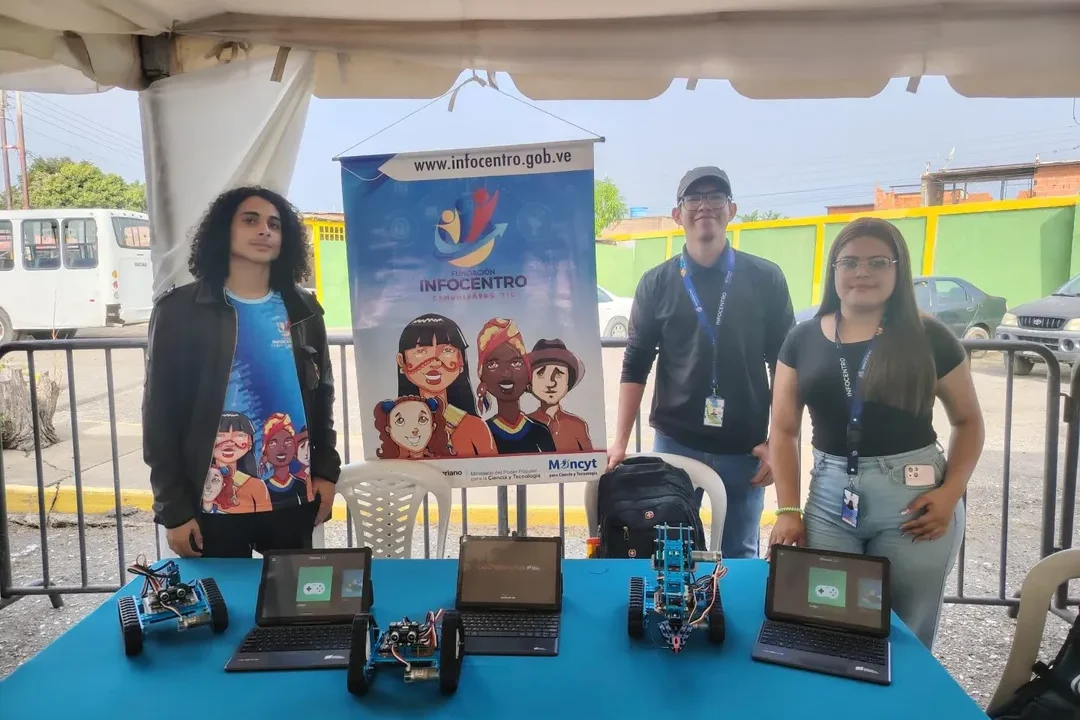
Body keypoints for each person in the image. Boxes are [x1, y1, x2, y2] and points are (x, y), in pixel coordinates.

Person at [767, 216, 984, 649]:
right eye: (849, 262)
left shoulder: (930, 337)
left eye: (878, 262)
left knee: (907, 634)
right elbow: (784, 429)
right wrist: (788, 509)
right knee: (828, 626)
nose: (862, 272)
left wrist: (951, 493)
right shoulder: (802, 339)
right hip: (829, 500)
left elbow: (969, 422)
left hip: (915, 500)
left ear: (898, 269)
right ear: (833, 270)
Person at [143, 186, 341, 558]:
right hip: (212, 502)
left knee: (289, 596)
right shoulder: (181, 310)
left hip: (293, 497)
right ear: (224, 231)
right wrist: (173, 509)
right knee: (221, 597)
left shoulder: (303, 309)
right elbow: (160, 415)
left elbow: (322, 397)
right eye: (250, 220)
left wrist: (327, 472)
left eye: (274, 224)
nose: (265, 230)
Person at [611, 167, 795, 559]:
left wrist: (777, 443)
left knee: (739, 554)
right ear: (678, 214)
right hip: (675, 442)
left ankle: (728, 604)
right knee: (670, 554)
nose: (704, 206)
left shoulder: (766, 278)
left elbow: (784, 366)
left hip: (746, 447)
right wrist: (620, 444)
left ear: (732, 210)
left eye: (715, 197)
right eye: (693, 198)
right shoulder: (656, 283)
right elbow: (635, 363)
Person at [396, 313, 497, 456]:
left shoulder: (475, 427)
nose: (435, 362)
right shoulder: (394, 429)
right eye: (421, 351)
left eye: (447, 351)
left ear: (461, 360)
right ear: (401, 360)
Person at [476, 317, 556, 454]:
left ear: (528, 373)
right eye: (493, 364)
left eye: (516, 363)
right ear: (482, 377)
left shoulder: (540, 432)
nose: (506, 373)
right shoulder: (482, 434)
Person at [526, 338, 594, 452]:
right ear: (530, 381)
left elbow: (591, 459)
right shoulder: (524, 426)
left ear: (568, 382)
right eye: (541, 374)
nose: (550, 383)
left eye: (558, 374)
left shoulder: (578, 425)